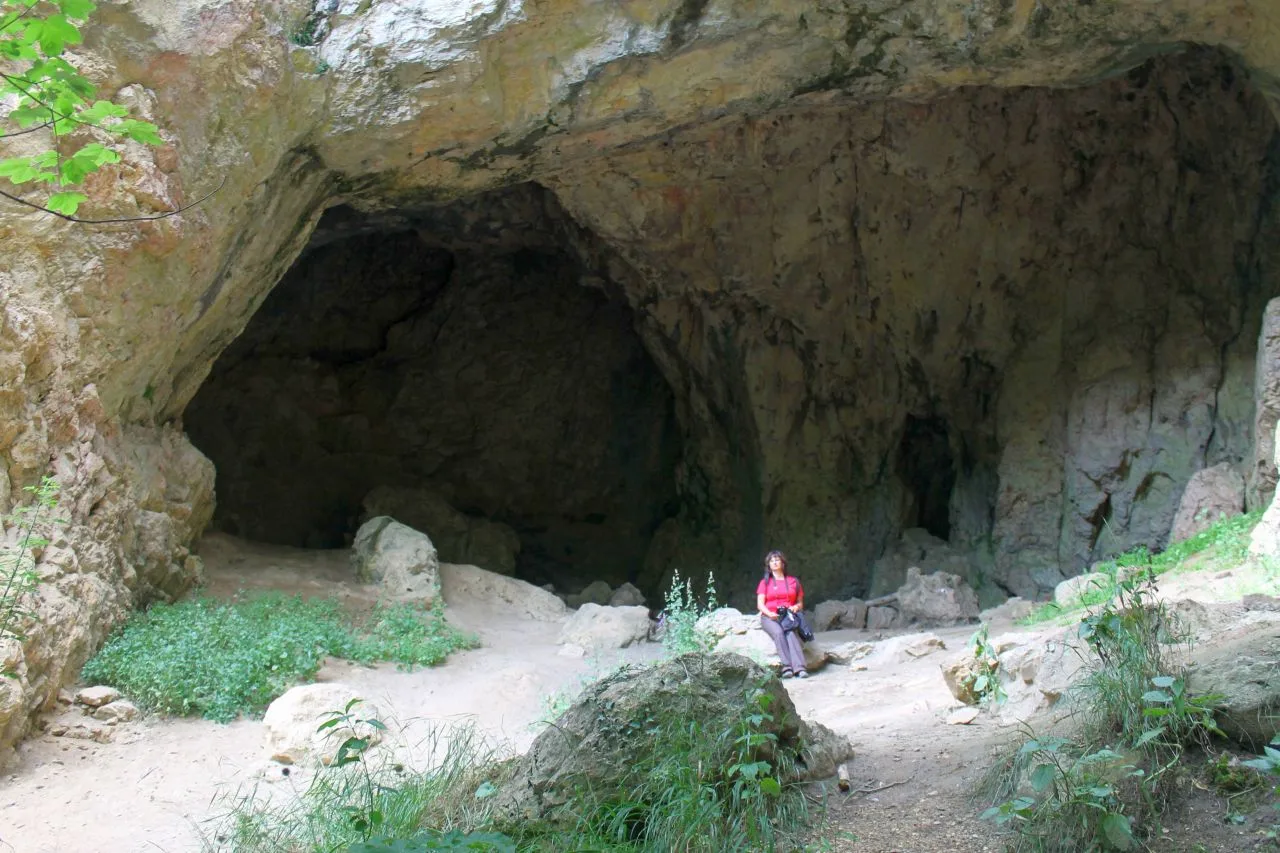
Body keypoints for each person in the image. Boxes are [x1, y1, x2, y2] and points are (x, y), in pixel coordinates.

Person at [756, 549, 808, 679]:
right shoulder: (765, 583)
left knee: (790, 633)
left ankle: (800, 668)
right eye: (771, 561)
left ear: (783, 563)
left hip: (786, 616)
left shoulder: (793, 581)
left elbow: (800, 603)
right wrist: (769, 613)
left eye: (777, 560)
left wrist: (796, 607)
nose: (774, 562)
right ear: (768, 565)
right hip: (769, 617)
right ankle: (787, 667)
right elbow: (760, 604)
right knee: (778, 633)